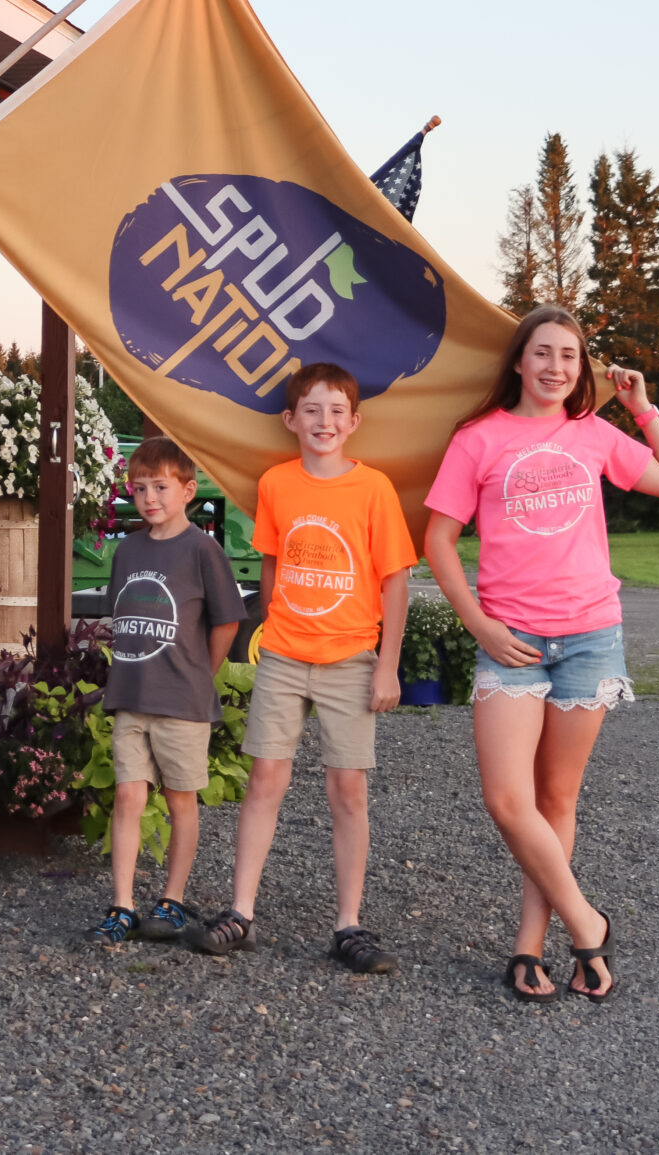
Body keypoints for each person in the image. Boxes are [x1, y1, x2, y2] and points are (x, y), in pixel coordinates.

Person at [423, 305, 659, 1004]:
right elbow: (437, 539)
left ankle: (529, 946)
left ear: (582, 370)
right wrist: (477, 624)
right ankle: (588, 921)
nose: (555, 367)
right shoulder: (478, 439)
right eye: (543, 353)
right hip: (511, 641)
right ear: (518, 361)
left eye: (570, 357)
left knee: (555, 798)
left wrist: (644, 410)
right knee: (507, 798)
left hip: (590, 636)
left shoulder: (593, 433)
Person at [194, 363, 416, 970]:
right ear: (291, 420)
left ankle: (348, 924)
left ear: (355, 422)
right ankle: (242, 911)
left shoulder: (372, 489)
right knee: (266, 778)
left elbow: (396, 581)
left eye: (337, 411)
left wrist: (387, 665)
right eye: (312, 411)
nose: (325, 422)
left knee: (347, 789)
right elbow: (271, 565)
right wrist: (271, 626)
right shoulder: (276, 484)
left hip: (351, 658)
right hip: (286, 654)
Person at [90, 436, 245, 947]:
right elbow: (123, 614)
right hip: (131, 695)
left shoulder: (203, 550)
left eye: (160, 487)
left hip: (181, 702)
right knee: (129, 796)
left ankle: (173, 901)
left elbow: (225, 622)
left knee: (181, 800)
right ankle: (122, 904)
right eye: (139, 488)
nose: (149, 497)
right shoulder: (129, 549)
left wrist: (203, 671)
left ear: (187, 490)